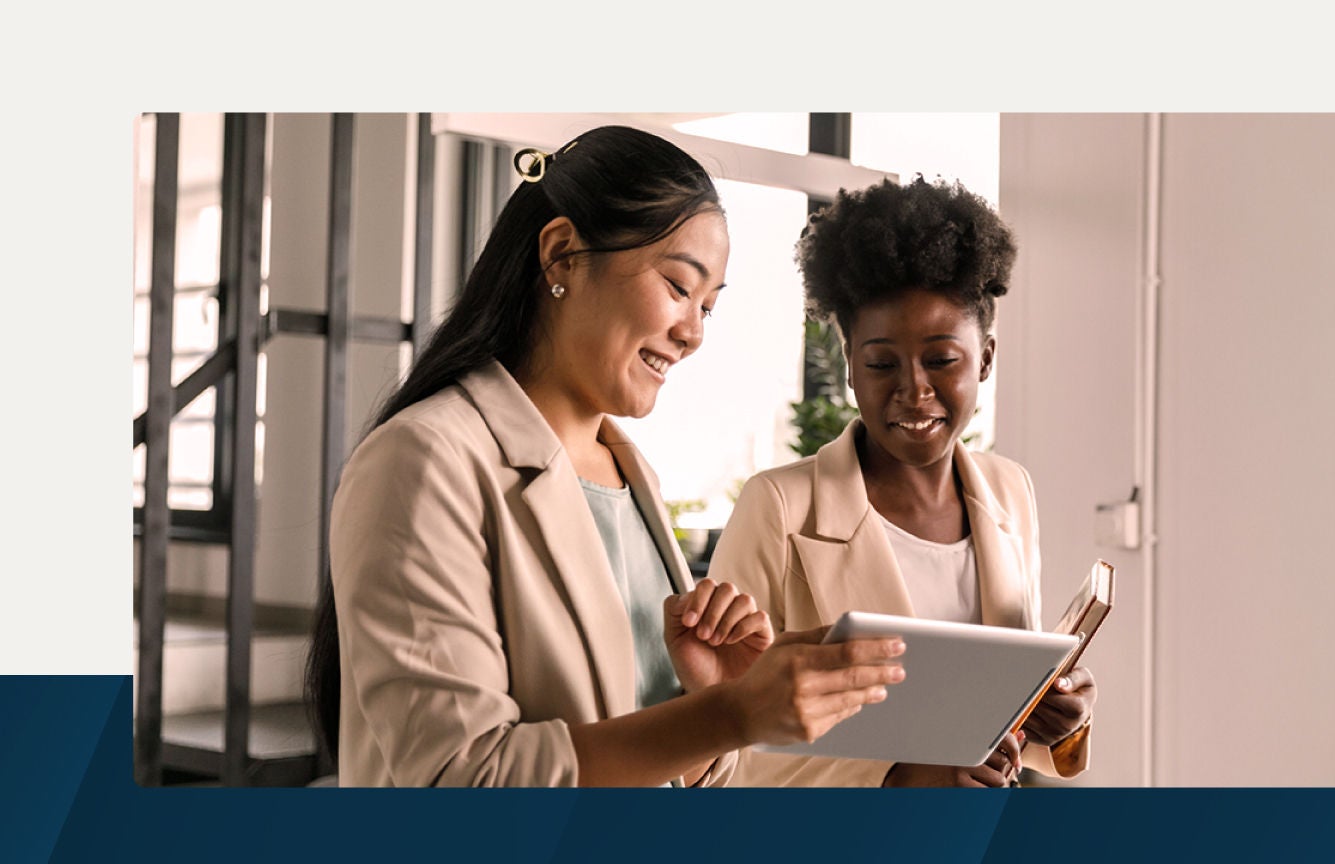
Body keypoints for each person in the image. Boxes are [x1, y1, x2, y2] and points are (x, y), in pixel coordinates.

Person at [303, 125, 906, 787]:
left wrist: (708, 696)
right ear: (562, 255)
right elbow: (458, 778)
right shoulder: (424, 460)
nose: (693, 332)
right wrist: (727, 716)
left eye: (708, 306)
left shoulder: (629, 471)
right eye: (679, 287)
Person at [709, 176, 1097, 787]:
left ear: (987, 358)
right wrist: (898, 779)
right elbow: (719, 751)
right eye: (882, 363)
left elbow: (1004, 711)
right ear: (849, 363)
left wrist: (1058, 716)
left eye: (942, 360)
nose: (914, 390)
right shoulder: (780, 508)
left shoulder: (1009, 491)